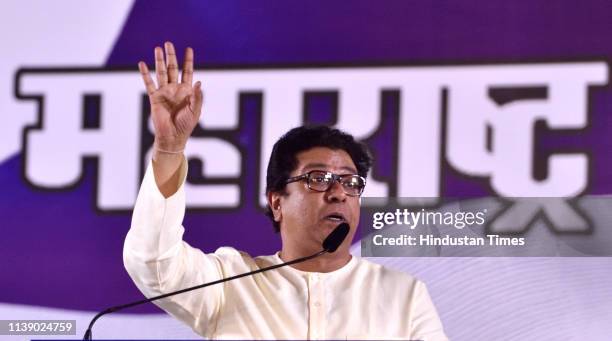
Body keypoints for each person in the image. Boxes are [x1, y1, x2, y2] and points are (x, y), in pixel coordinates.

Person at [124, 41, 448, 340]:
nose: (338, 193)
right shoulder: (230, 284)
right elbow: (152, 263)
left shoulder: (403, 296)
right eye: (318, 178)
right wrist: (168, 149)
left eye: (350, 182)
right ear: (277, 201)